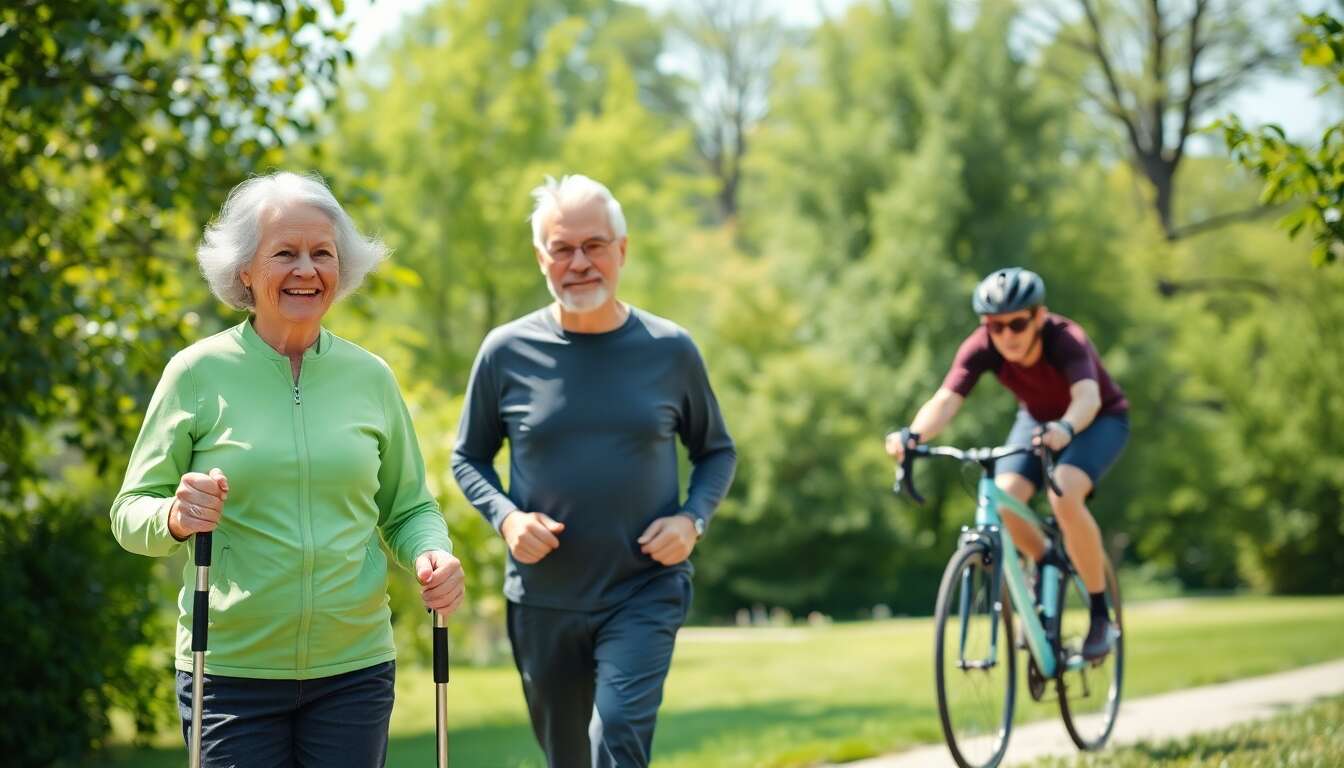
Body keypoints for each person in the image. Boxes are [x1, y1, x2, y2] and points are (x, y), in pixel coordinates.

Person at [110, 171, 465, 767]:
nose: (307, 269)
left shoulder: (369, 377)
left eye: (322, 253)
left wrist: (433, 552)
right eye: (285, 253)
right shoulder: (196, 374)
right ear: (245, 269)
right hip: (229, 671)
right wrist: (174, 515)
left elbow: (409, 508)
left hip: (353, 671)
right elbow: (129, 511)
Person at [452, 174, 736, 767]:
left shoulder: (670, 349)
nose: (579, 262)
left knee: (616, 736)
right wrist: (505, 520)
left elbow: (716, 451)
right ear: (541, 258)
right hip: (543, 599)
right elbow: (468, 457)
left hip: (644, 587)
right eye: (562, 248)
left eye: (594, 245)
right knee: (567, 757)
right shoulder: (505, 352)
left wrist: (693, 520)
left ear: (622, 250)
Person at [886, 267, 1128, 661]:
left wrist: (1066, 428)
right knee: (1003, 499)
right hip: (1036, 421)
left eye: (1017, 324)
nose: (1007, 336)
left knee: (1064, 493)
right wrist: (912, 435)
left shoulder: (1066, 339)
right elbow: (946, 399)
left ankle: (1101, 614)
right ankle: (1045, 558)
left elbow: (1087, 397)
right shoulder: (982, 346)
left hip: (1096, 420)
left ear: (1039, 316)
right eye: (995, 327)